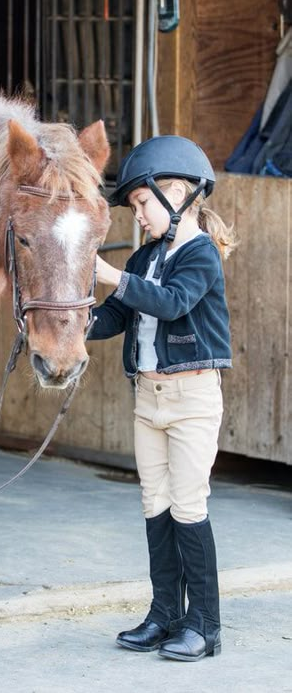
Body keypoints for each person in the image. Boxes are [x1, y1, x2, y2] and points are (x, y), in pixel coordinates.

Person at [88, 135, 237, 662]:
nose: (139, 216)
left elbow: (172, 304)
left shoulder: (199, 255)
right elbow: (116, 315)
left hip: (192, 398)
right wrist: (71, 320)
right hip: (148, 399)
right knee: (155, 505)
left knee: (189, 507)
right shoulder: (146, 256)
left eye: (143, 203)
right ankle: (166, 613)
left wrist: (111, 275)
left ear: (176, 192)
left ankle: (205, 624)